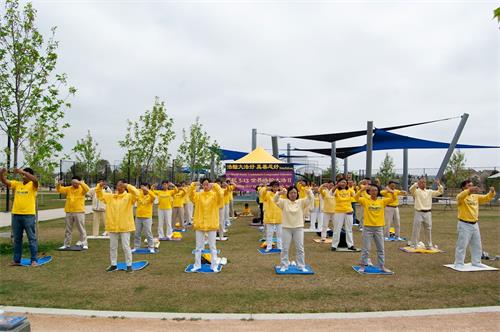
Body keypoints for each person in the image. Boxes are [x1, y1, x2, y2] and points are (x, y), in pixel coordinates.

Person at [96, 179, 139, 272]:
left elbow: (137, 193)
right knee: (113, 246)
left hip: (125, 226)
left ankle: (129, 265)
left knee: (126, 246)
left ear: (124, 186)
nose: (118, 187)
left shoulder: (129, 197)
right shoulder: (110, 197)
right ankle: (113, 264)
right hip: (113, 226)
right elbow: (99, 195)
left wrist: (128, 186)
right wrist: (99, 186)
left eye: (121, 185)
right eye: (117, 185)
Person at [0, 168, 39, 266]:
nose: (23, 176)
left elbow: (35, 180)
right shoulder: (17, 184)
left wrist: (22, 171)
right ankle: (16, 260)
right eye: (23, 175)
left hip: (29, 215)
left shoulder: (33, 185)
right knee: (17, 239)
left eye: (26, 174)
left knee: (32, 238)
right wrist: (1, 173)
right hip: (16, 215)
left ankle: (34, 260)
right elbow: (5, 181)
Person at [355, 184, 396, 273]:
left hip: (379, 228)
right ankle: (362, 265)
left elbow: (393, 199)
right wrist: (361, 190)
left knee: (381, 248)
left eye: (376, 190)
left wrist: (392, 192)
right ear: (369, 192)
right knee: (366, 248)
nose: (374, 192)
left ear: (378, 192)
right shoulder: (365, 200)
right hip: (368, 228)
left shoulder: (382, 201)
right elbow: (356, 198)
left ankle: (382, 266)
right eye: (372, 190)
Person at [454, 180, 495, 268]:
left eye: (472, 185)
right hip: (464, 224)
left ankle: (476, 262)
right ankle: (459, 263)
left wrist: (491, 192)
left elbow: (486, 198)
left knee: (477, 244)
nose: (472, 187)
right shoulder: (462, 197)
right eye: (469, 185)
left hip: (475, 224)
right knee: (462, 245)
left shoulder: (475, 196)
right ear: (463, 187)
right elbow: (459, 197)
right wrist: (468, 191)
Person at [273, 185, 314, 272]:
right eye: (291, 193)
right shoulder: (284, 202)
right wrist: (279, 193)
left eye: (295, 193)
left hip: (298, 228)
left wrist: (309, 192)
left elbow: (310, 199)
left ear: (297, 194)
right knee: (285, 248)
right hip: (286, 228)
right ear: (288, 194)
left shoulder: (301, 202)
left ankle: (301, 266)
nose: (293, 194)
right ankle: (284, 265)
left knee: (300, 248)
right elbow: (275, 200)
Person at [188, 178, 224, 272]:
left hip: (211, 224)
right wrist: (193, 185)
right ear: (201, 185)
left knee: (212, 246)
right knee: (198, 247)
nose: (205, 186)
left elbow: (221, 194)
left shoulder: (215, 195)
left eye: (207, 184)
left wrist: (215, 185)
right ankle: (197, 265)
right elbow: (190, 195)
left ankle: (214, 265)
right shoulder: (198, 195)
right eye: (204, 184)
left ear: (210, 185)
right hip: (200, 224)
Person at [409, 177, 444, 249]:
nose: (423, 184)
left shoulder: (429, 192)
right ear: (419, 183)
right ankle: (414, 245)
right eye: (421, 182)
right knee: (416, 229)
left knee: (428, 229)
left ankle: (429, 245)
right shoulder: (416, 191)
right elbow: (411, 189)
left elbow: (440, 192)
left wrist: (439, 184)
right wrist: (416, 184)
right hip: (419, 212)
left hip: (428, 213)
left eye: (424, 182)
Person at [56, 176, 90, 250]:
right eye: (73, 182)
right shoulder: (69, 188)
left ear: (79, 182)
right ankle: (66, 244)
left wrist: (80, 183)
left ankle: (84, 243)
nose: (74, 184)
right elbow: (59, 190)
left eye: (75, 182)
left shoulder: (82, 189)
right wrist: (59, 184)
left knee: (81, 228)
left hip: (79, 211)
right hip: (69, 211)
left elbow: (87, 189)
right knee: (68, 229)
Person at [332, 178, 357, 251]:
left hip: (348, 211)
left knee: (349, 229)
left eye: (345, 182)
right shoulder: (336, 190)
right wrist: (336, 186)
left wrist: (352, 186)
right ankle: (334, 245)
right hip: (338, 211)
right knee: (337, 229)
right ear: (338, 183)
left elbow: (355, 196)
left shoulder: (349, 190)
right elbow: (331, 193)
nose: (343, 184)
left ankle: (350, 245)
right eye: (341, 182)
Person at [259, 181, 283, 252]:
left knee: (280, 234)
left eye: (277, 186)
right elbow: (261, 193)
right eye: (274, 186)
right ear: (271, 187)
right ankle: (269, 247)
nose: (275, 188)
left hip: (279, 216)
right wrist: (266, 187)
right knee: (269, 233)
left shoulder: (280, 194)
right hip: (270, 216)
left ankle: (280, 246)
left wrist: (281, 189)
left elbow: (286, 192)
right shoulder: (267, 194)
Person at [132, 183, 156, 253]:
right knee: (137, 233)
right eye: (143, 187)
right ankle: (136, 247)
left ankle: (151, 247)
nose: (144, 189)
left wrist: (148, 190)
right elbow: (134, 194)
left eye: (146, 187)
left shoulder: (150, 196)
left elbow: (154, 197)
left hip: (147, 217)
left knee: (148, 233)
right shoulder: (139, 194)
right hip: (138, 217)